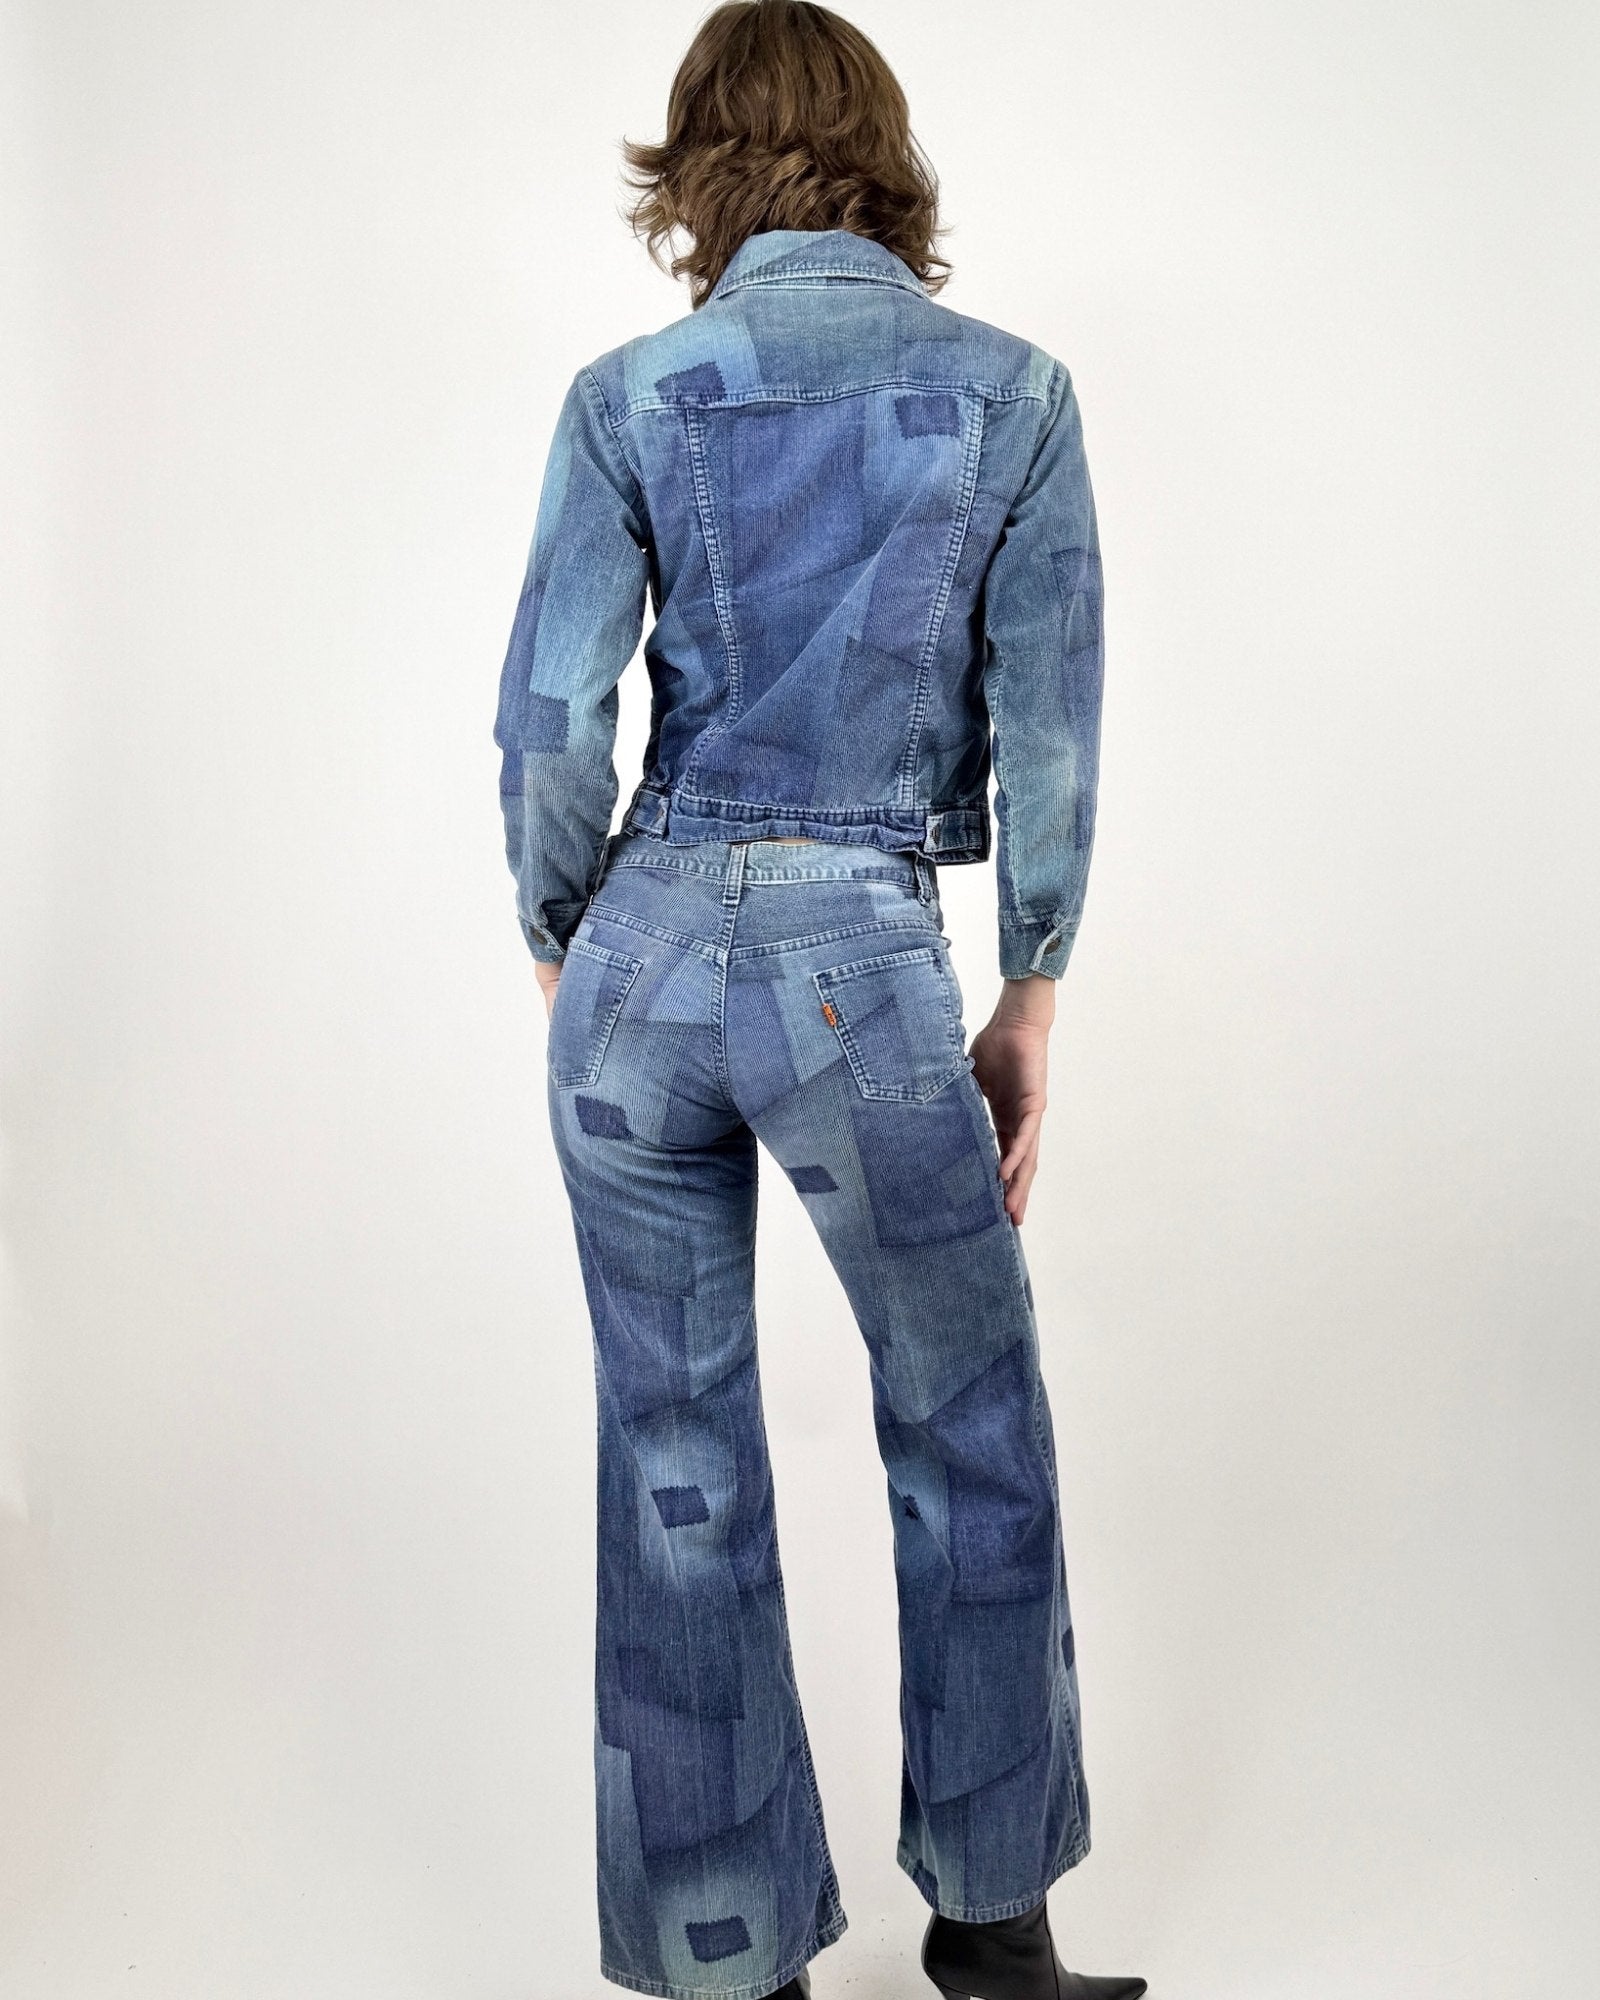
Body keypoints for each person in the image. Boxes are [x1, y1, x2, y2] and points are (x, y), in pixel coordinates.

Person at [492, 6, 1145, 1998]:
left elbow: (549, 719)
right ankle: (995, 1929)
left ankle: (729, 1966)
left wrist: (563, 936)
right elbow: (1052, 722)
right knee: (966, 1423)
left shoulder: (626, 397)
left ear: (694, 162)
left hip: (638, 967)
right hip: (859, 968)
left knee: (672, 1456)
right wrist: (1030, 983)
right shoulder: (1012, 395)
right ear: (882, 150)